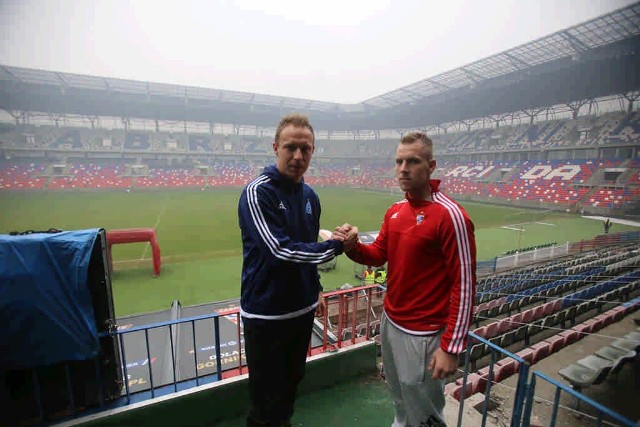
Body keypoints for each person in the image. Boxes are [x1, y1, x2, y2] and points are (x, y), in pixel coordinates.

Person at [334, 131, 477, 427]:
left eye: (412, 161)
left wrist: (450, 347)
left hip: (423, 334)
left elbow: (464, 286)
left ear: (431, 166)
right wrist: (352, 246)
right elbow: (377, 254)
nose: (403, 168)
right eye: (399, 161)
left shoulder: (451, 216)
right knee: (399, 394)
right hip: (391, 323)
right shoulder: (396, 211)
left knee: (424, 410)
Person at [238, 113, 353, 427]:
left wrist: (315, 289)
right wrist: (335, 246)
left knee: (289, 391)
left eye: (306, 149)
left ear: (313, 151)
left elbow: (306, 250)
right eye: (291, 147)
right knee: (265, 402)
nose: (298, 156)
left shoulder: (310, 197)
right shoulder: (258, 193)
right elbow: (280, 251)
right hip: (267, 316)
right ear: (276, 147)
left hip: (301, 312)